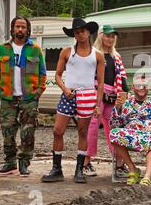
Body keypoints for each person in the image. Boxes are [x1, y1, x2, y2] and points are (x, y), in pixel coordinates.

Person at [41, 18, 104, 184]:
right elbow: (57, 75)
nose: (80, 34)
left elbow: (101, 83)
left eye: (83, 31)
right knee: (57, 130)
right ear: (74, 34)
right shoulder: (67, 52)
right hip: (69, 94)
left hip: (88, 95)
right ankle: (57, 169)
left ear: (89, 32)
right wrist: (65, 89)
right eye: (76, 32)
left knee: (83, 132)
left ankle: (79, 170)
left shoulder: (98, 55)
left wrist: (98, 104)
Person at [0, 16, 46, 177]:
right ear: (12, 29)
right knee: (7, 131)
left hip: (28, 98)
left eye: (23, 27)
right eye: (17, 27)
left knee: (28, 132)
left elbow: (42, 73)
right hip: (8, 98)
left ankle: (24, 163)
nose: (20, 30)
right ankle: (10, 163)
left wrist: (38, 92)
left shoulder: (35, 49)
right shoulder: (3, 49)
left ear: (27, 30)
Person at [84, 25, 129, 176]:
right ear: (101, 36)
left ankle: (119, 163)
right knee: (92, 126)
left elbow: (122, 78)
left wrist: (125, 93)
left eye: (112, 36)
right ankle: (86, 162)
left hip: (112, 94)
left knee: (114, 127)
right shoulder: (93, 54)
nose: (110, 39)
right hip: (96, 92)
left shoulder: (116, 56)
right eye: (107, 35)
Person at [109, 75, 151, 186]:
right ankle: (133, 169)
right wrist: (117, 109)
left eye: (145, 85)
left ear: (149, 88)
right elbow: (114, 124)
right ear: (133, 87)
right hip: (131, 136)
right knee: (114, 134)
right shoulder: (125, 103)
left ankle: (147, 176)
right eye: (138, 85)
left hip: (149, 136)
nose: (142, 87)